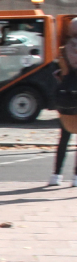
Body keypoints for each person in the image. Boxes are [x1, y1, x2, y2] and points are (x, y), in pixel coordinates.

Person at [48, 17, 77, 186]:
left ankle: (56, 175)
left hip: (66, 95)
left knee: (64, 137)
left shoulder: (63, 49)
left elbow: (59, 72)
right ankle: (75, 177)